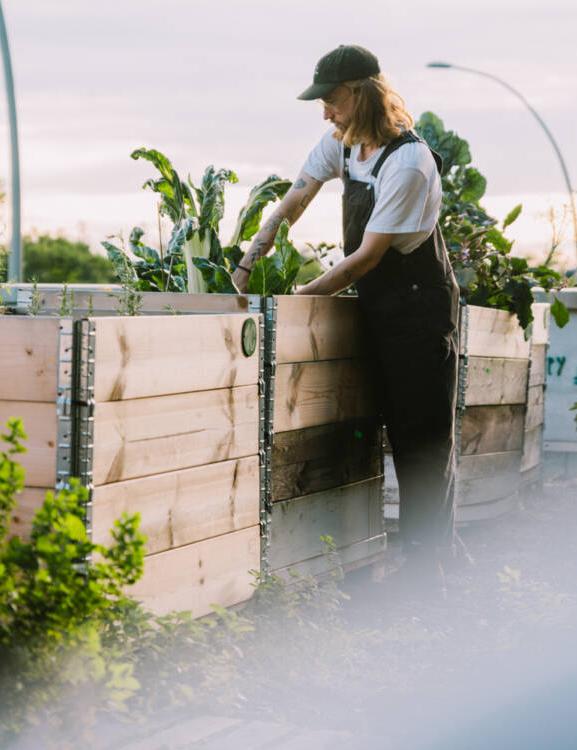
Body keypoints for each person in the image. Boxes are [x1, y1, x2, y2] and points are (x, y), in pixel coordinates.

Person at [232, 44, 460, 585]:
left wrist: (292, 302)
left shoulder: (407, 163)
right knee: (376, 430)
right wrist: (248, 258)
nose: (324, 110)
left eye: (331, 99)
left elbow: (364, 260)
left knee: (421, 440)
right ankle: (427, 559)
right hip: (379, 308)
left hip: (418, 311)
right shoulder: (344, 143)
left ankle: (431, 572)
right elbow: (296, 198)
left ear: (360, 95)